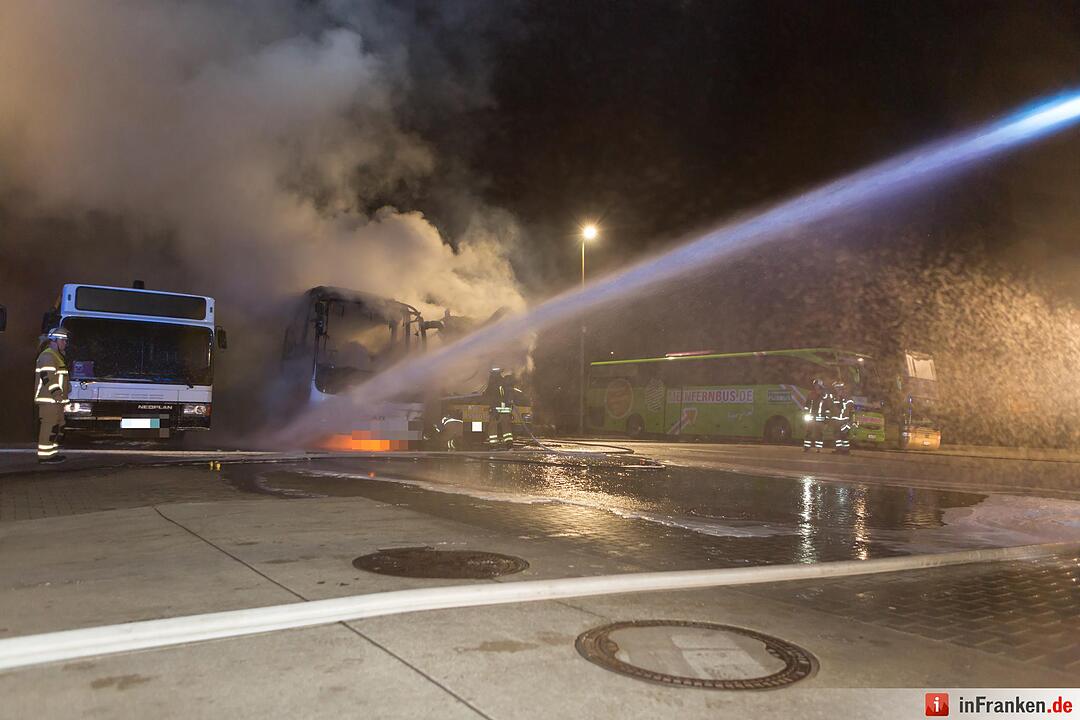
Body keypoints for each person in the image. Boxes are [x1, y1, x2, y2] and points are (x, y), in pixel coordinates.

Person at [35, 327, 71, 463]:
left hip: (57, 400)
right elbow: (47, 377)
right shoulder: (48, 356)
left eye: (65, 341)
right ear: (53, 341)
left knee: (57, 426)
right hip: (50, 399)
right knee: (49, 426)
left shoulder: (57, 356)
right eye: (62, 340)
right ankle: (44, 456)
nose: (64, 343)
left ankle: (52, 454)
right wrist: (57, 393)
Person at [484, 367, 514, 450]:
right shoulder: (504, 382)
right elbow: (508, 397)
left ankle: (493, 446)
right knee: (507, 429)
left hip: (496, 410)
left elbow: (492, 397)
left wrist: (494, 409)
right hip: (506, 410)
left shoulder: (493, 384)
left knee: (492, 428)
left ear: (494, 374)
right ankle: (509, 445)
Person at [802, 378, 831, 453]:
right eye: (815, 385)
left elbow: (827, 408)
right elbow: (807, 405)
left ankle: (818, 448)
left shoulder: (824, 395)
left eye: (817, 385)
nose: (816, 386)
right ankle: (806, 447)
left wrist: (826, 419)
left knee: (819, 434)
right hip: (811, 417)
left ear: (820, 386)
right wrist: (805, 413)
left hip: (820, 418)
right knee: (808, 432)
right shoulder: (811, 394)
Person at [831, 380, 854, 455]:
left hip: (844, 420)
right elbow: (832, 408)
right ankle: (839, 449)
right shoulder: (835, 397)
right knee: (837, 435)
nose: (836, 389)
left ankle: (846, 450)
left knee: (844, 436)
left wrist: (850, 422)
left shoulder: (847, 398)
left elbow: (851, 410)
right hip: (836, 420)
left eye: (837, 388)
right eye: (835, 388)